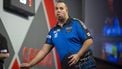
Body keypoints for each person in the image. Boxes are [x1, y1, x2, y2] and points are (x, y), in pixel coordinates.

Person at [20, 1, 96, 69]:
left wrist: (78, 55)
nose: (58, 10)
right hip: (69, 67)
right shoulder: (53, 31)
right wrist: (30, 64)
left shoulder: (76, 23)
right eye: (56, 9)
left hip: (85, 63)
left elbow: (89, 40)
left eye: (61, 8)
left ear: (66, 10)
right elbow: (43, 51)